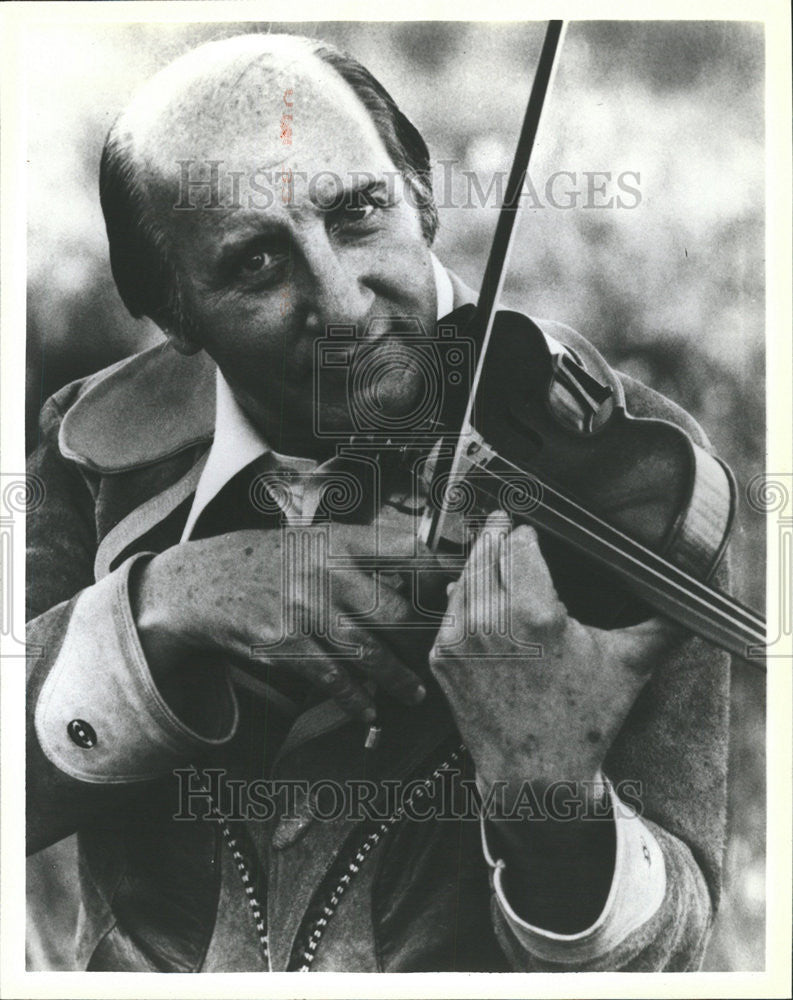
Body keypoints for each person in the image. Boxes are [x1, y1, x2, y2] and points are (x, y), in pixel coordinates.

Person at [26, 33, 730, 972]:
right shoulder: (97, 446)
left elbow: (670, 950)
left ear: (423, 198)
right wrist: (166, 605)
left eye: (359, 213)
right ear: (174, 312)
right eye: (255, 265)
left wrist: (546, 794)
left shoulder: (621, 468)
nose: (345, 304)